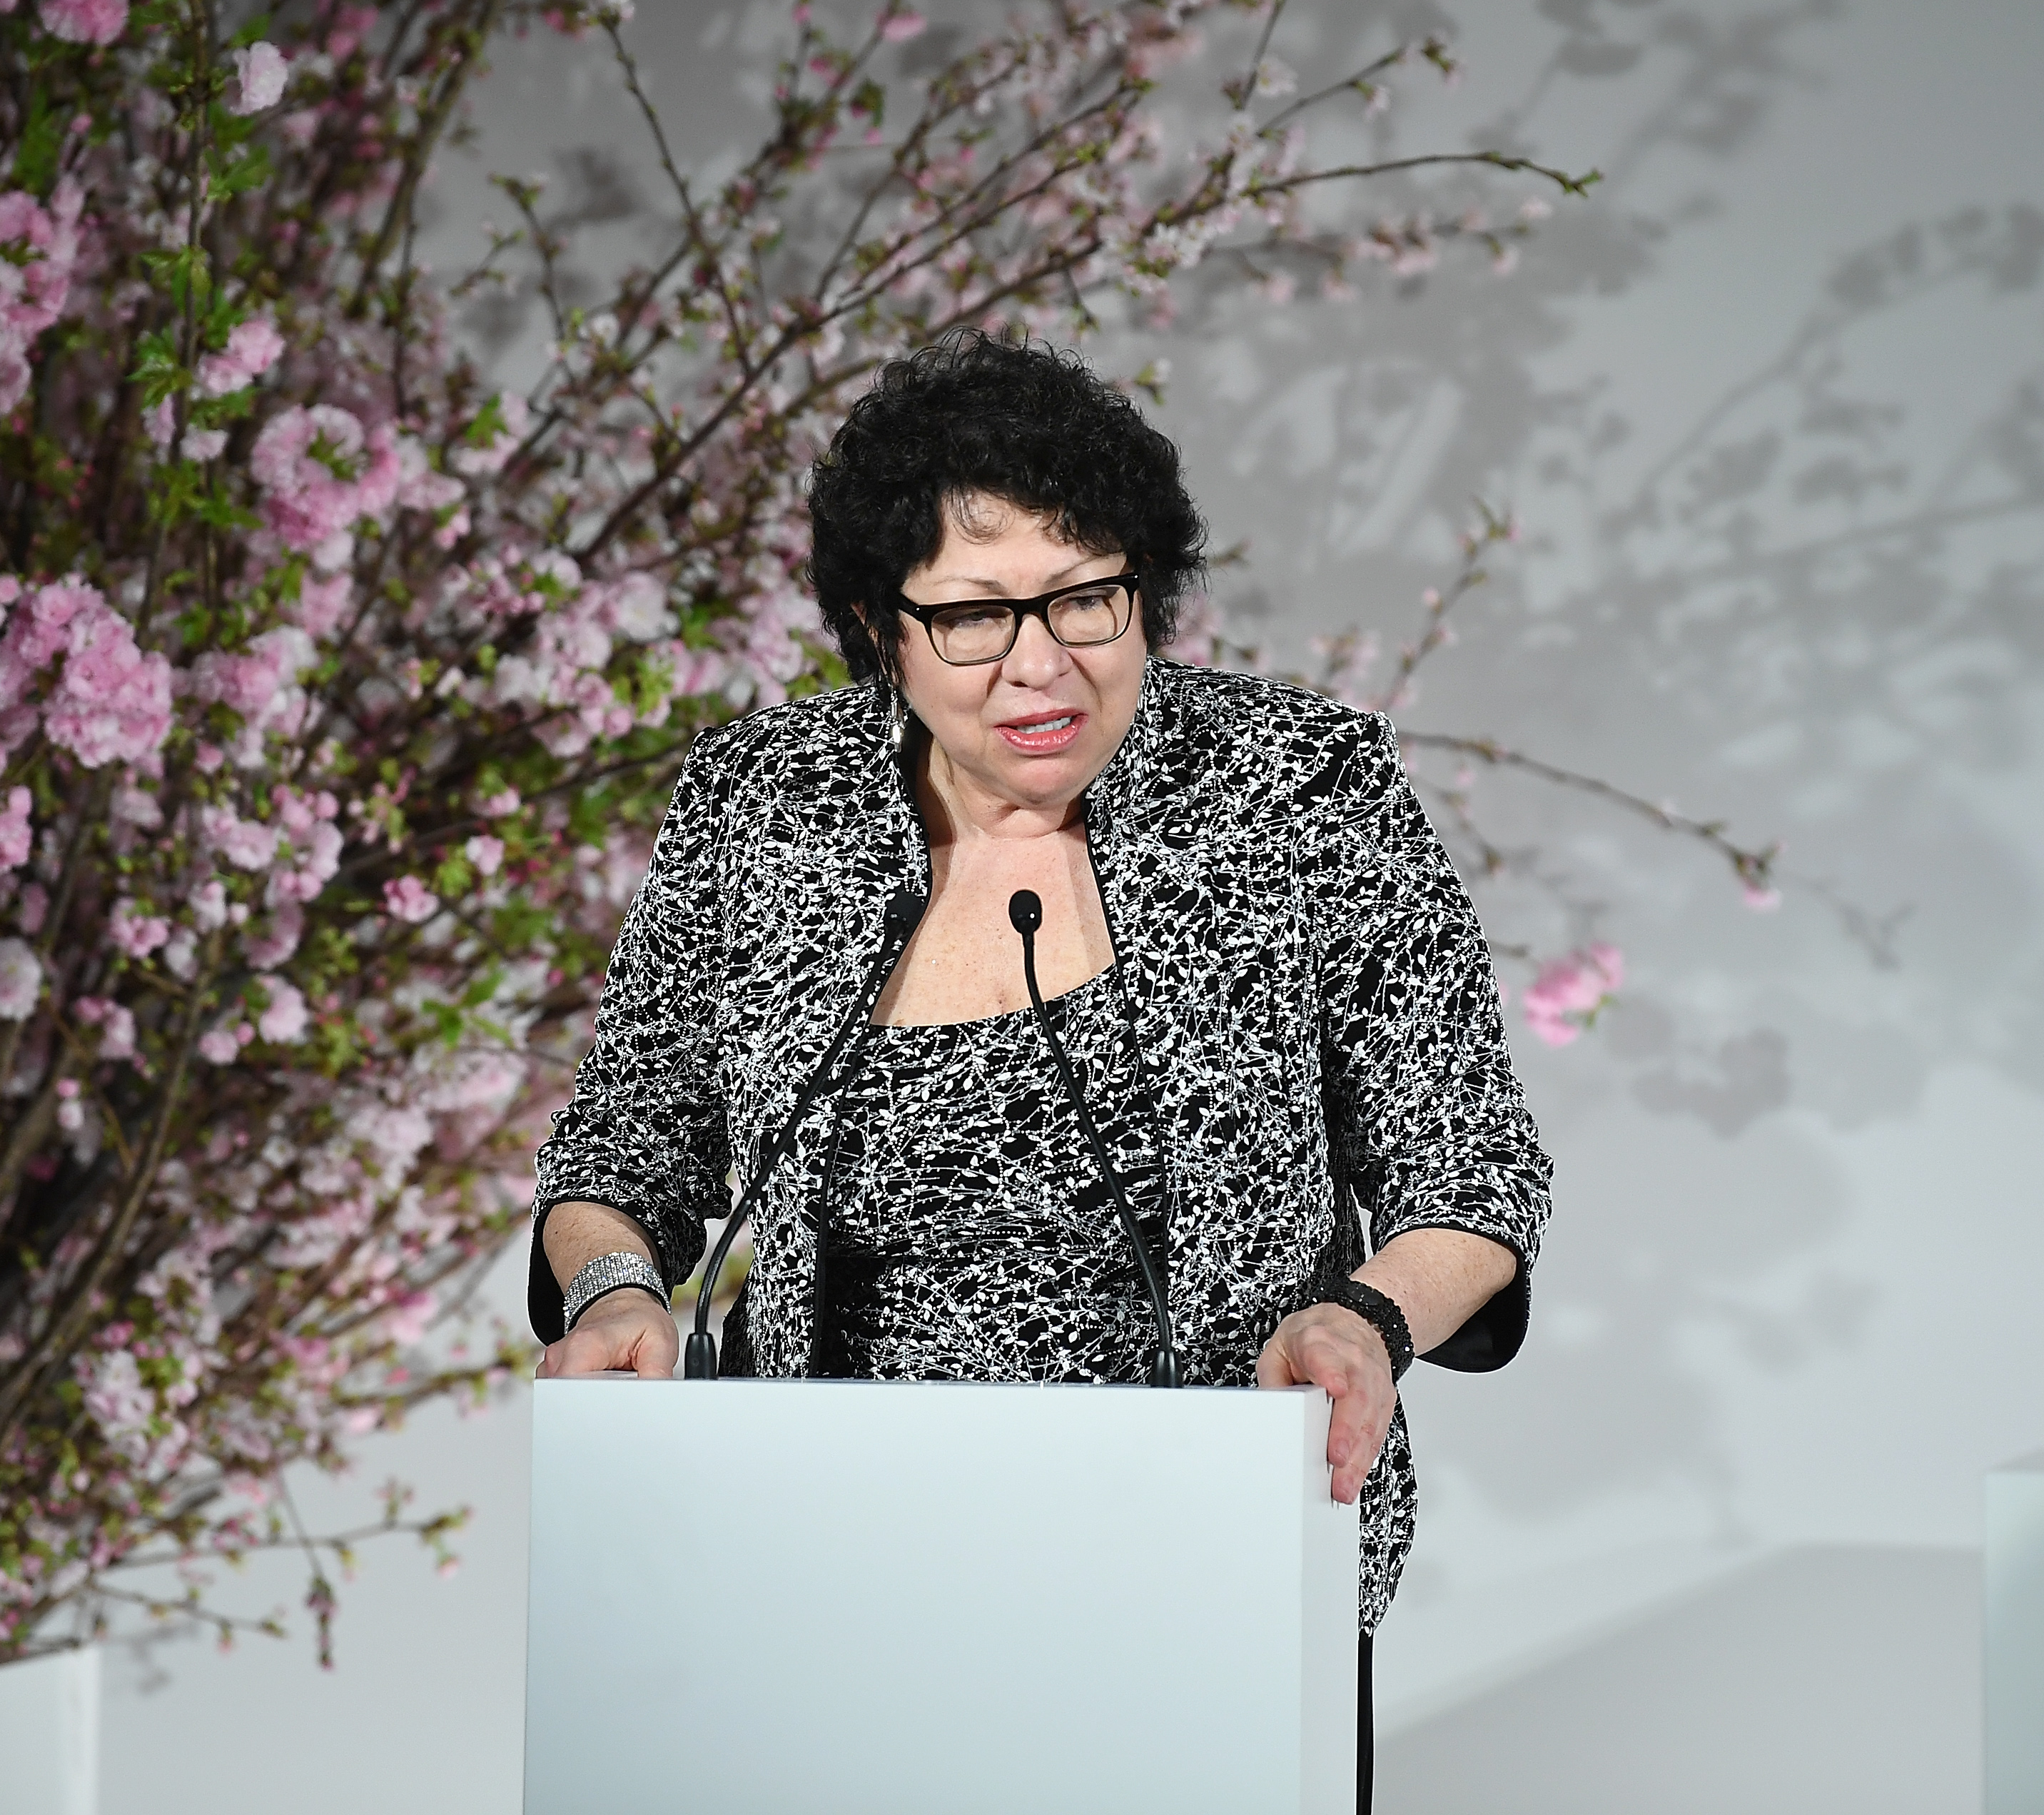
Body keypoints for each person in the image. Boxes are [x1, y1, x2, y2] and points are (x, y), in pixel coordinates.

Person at [529, 329, 1551, 1808]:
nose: (1041, 666)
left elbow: (1472, 1166)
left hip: (1217, 1549)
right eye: (974, 617)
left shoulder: (1300, 789)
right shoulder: (762, 801)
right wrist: (618, 1287)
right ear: (882, 624)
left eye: (1088, 599)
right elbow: (623, 1148)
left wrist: (1365, 1322)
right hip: (825, 1568)